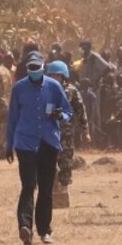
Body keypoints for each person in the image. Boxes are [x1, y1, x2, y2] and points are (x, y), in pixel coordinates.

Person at [6, 51, 72, 244]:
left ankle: (44, 230)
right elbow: (12, 118)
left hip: (48, 142)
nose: (34, 71)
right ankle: (24, 226)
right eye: (31, 68)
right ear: (27, 69)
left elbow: (68, 112)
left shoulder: (54, 87)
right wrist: (9, 145)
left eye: (37, 67)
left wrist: (60, 116)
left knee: (45, 188)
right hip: (25, 143)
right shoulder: (19, 89)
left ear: (43, 68)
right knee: (28, 185)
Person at [46, 61, 88, 208]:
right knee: (49, 163)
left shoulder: (72, 91)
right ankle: (51, 191)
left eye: (57, 75)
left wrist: (85, 130)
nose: (55, 77)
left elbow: (80, 111)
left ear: (64, 76)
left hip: (67, 134)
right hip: (49, 133)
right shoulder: (45, 90)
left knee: (65, 163)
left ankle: (63, 191)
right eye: (52, 75)